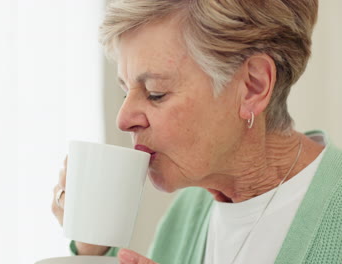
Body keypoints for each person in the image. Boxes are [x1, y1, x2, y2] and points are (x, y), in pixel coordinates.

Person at [52, 0, 342, 263]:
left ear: (253, 86)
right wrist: (93, 247)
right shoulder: (187, 215)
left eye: (155, 93)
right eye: (126, 90)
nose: (123, 118)